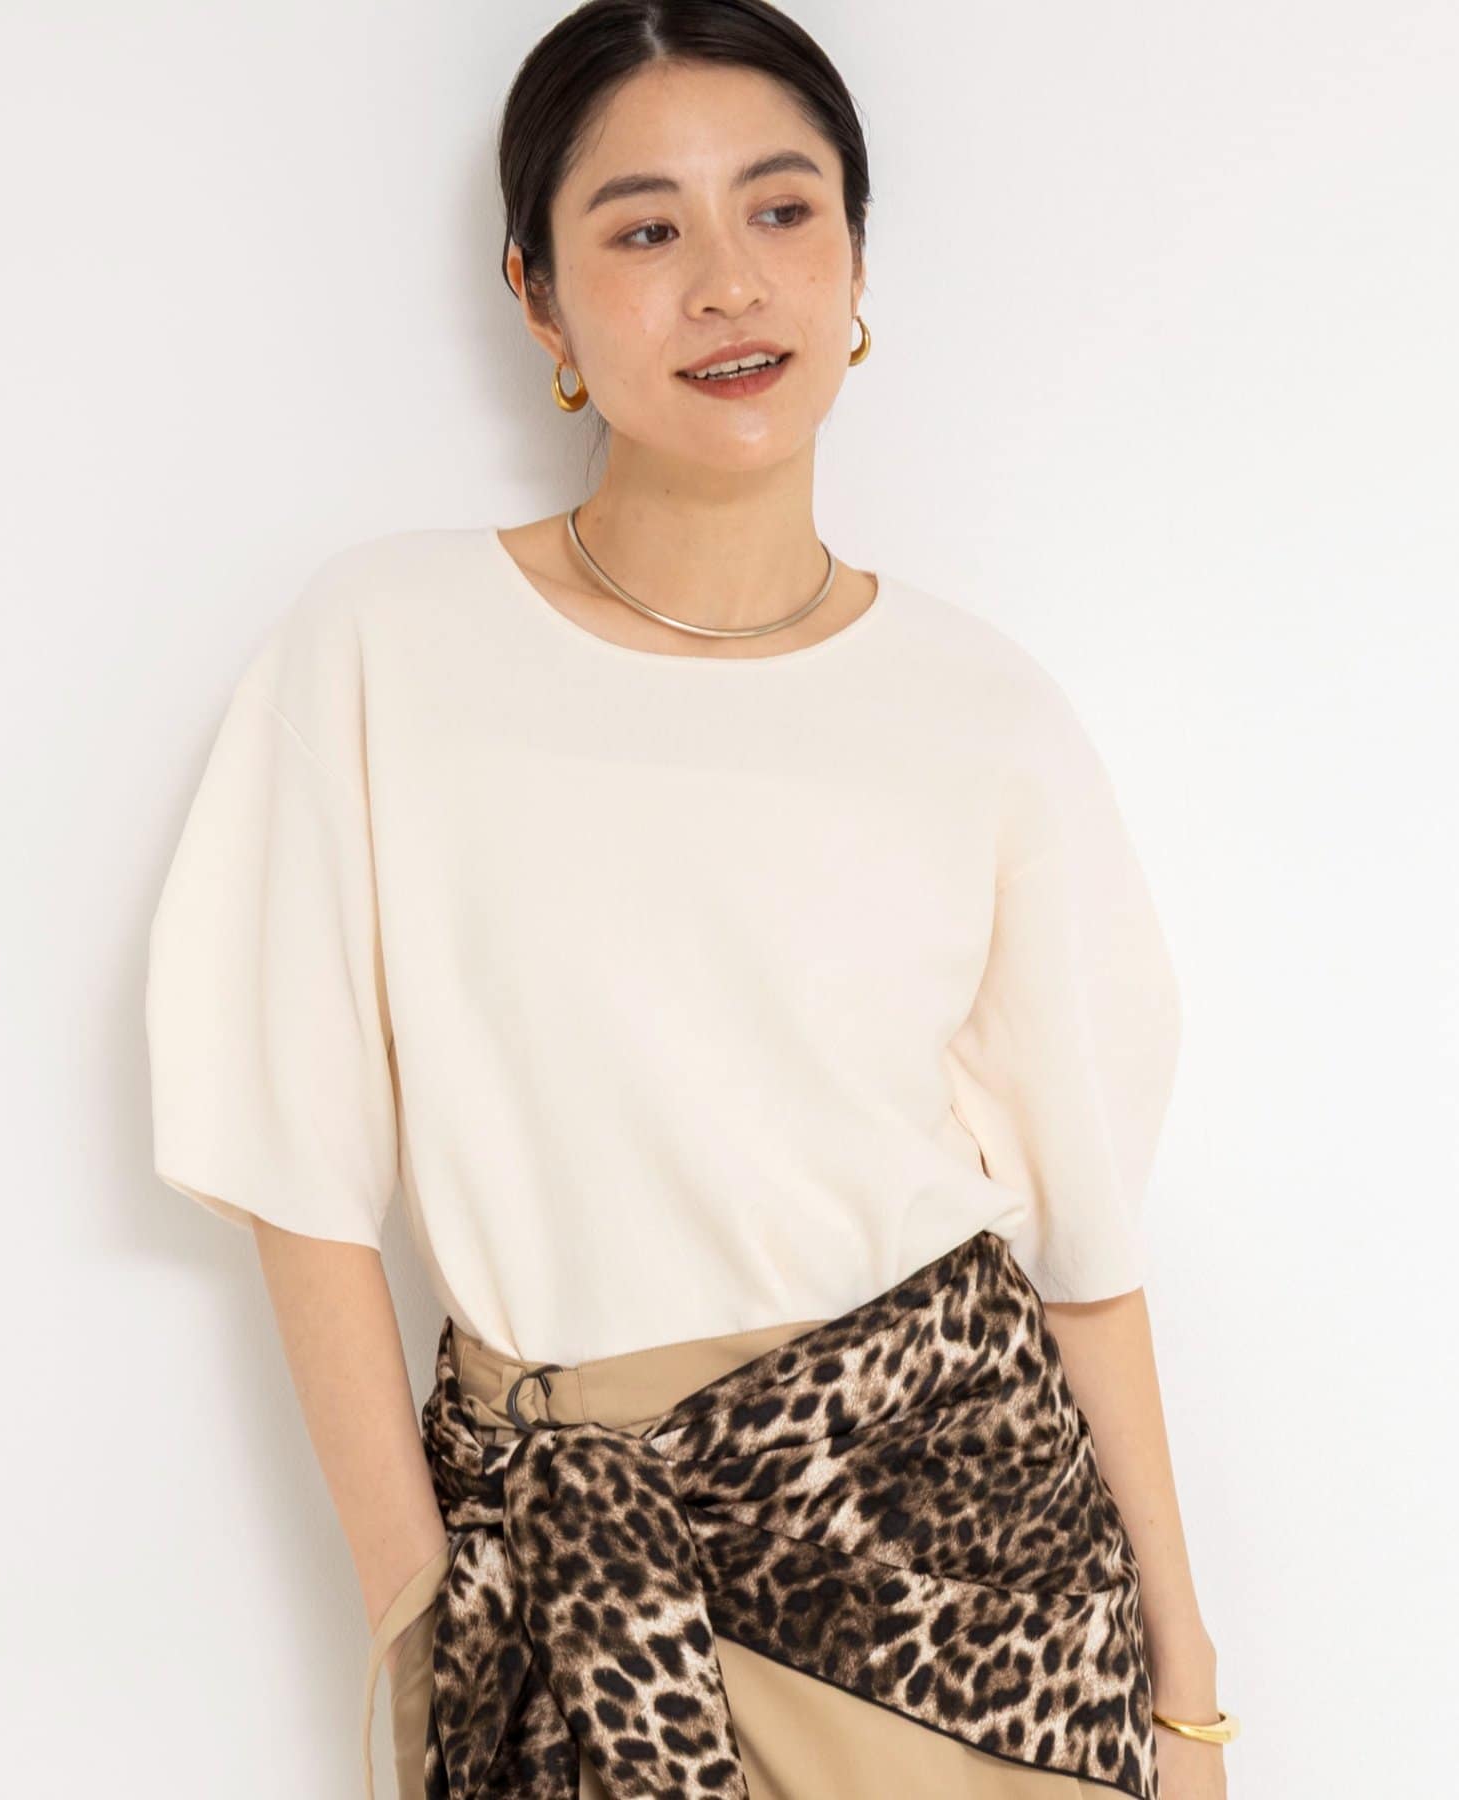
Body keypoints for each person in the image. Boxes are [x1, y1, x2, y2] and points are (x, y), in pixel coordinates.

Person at [144, 3, 1237, 1796]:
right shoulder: (387, 645)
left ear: (856, 263)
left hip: (972, 1614)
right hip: (565, 1601)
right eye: (646, 229)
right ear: (541, 301)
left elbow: (1084, 1245)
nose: (729, 283)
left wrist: (1185, 1686)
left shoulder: (983, 710)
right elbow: (297, 1167)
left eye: (783, 210)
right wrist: (418, 1606)